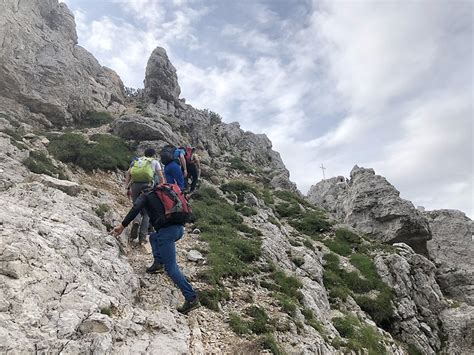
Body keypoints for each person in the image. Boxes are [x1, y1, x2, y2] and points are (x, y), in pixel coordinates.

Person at [110, 186, 201, 314]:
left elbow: (135, 208)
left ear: (141, 191)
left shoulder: (145, 196)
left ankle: (191, 297)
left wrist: (122, 225)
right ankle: (158, 263)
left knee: (171, 267)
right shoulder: (160, 193)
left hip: (167, 233)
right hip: (179, 229)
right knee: (153, 237)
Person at [124, 148, 165, 243]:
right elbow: (161, 177)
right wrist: (162, 188)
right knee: (147, 212)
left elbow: (128, 173)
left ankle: (136, 221)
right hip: (148, 186)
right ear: (154, 155)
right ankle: (142, 237)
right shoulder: (154, 162)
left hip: (135, 185)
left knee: (136, 206)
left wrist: (127, 187)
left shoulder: (137, 160)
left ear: (144, 154)